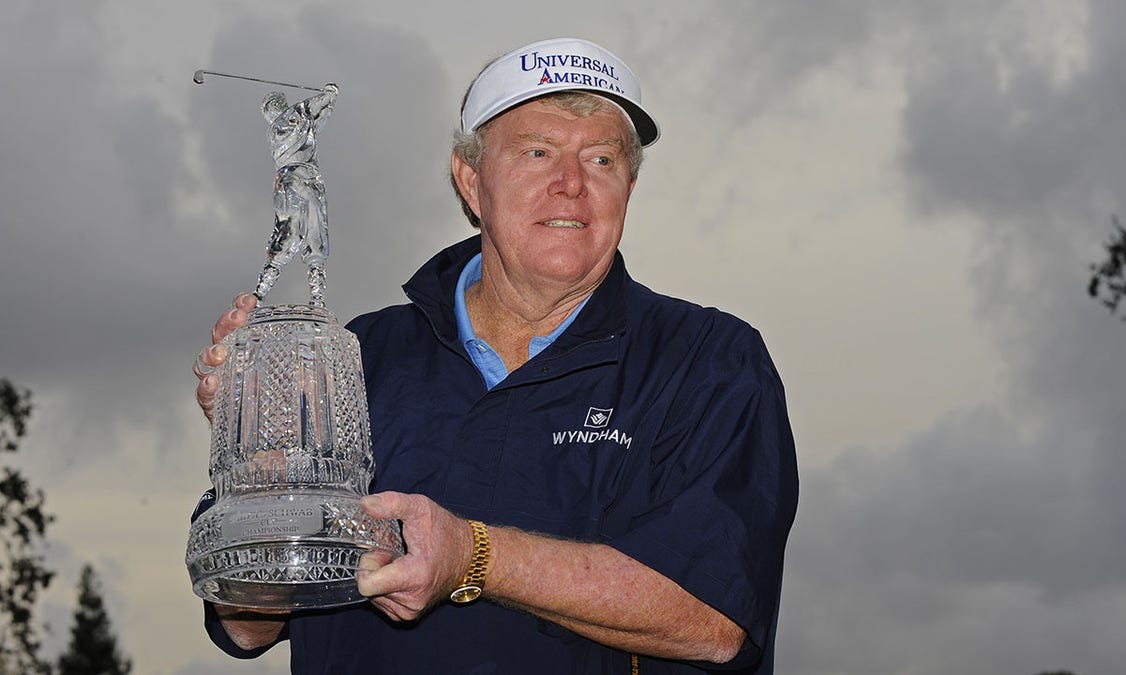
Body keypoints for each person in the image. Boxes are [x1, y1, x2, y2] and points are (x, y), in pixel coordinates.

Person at [193, 37, 799, 674]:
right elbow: (250, 620)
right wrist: (267, 462)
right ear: (470, 179)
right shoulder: (360, 357)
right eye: (537, 152)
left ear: (629, 185)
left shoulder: (708, 361)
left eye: (600, 159)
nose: (570, 184)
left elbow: (712, 619)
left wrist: (473, 556)